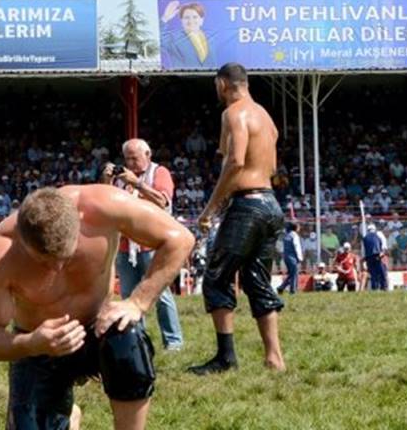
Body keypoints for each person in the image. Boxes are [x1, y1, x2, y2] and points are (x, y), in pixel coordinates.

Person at [0, 185, 194, 430]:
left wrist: (137, 302)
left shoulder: (102, 206)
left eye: (66, 256)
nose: (56, 269)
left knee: (128, 339)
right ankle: (67, 417)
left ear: (79, 221)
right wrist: (33, 343)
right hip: (39, 344)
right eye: (44, 260)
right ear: (23, 241)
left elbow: (180, 239)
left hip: (98, 327)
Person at [189, 63, 287, 375]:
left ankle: (226, 358)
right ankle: (274, 358)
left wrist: (210, 209)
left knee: (217, 277)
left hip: (247, 204)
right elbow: (270, 166)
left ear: (221, 84)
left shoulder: (233, 114)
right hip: (270, 202)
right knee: (257, 279)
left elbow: (234, 161)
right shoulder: (265, 116)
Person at [104, 138, 185, 351]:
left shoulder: (160, 172)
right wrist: (106, 180)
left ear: (148, 155)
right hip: (125, 246)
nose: (130, 163)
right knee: (129, 296)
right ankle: (138, 342)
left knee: (160, 295)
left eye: (135, 158)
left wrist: (137, 183)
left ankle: (174, 342)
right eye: (127, 158)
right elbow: (105, 202)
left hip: (153, 245)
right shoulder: (120, 177)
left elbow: (163, 201)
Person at [160, 1, 217, 69]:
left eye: (195, 17)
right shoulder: (174, 38)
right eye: (186, 17)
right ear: (181, 20)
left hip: (210, 78)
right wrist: (165, 18)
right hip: (183, 79)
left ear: (202, 20)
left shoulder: (211, 38)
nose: (191, 20)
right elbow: (159, 39)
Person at [277, 222, 303, 295]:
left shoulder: (286, 235)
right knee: (294, 274)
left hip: (286, 256)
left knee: (292, 273)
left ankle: (281, 287)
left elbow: (281, 248)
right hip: (293, 257)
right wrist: (300, 258)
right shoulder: (294, 236)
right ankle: (292, 290)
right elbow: (297, 247)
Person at [363, 224, 389, 291]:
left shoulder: (365, 237)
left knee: (373, 274)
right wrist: (382, 254)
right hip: (378, 256)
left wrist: (364, 260)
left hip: (369, 257)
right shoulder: (379, 234)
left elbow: (364, 250)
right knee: (382, 272)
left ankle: (374, 288)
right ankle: (384, 287)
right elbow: (384, 246)